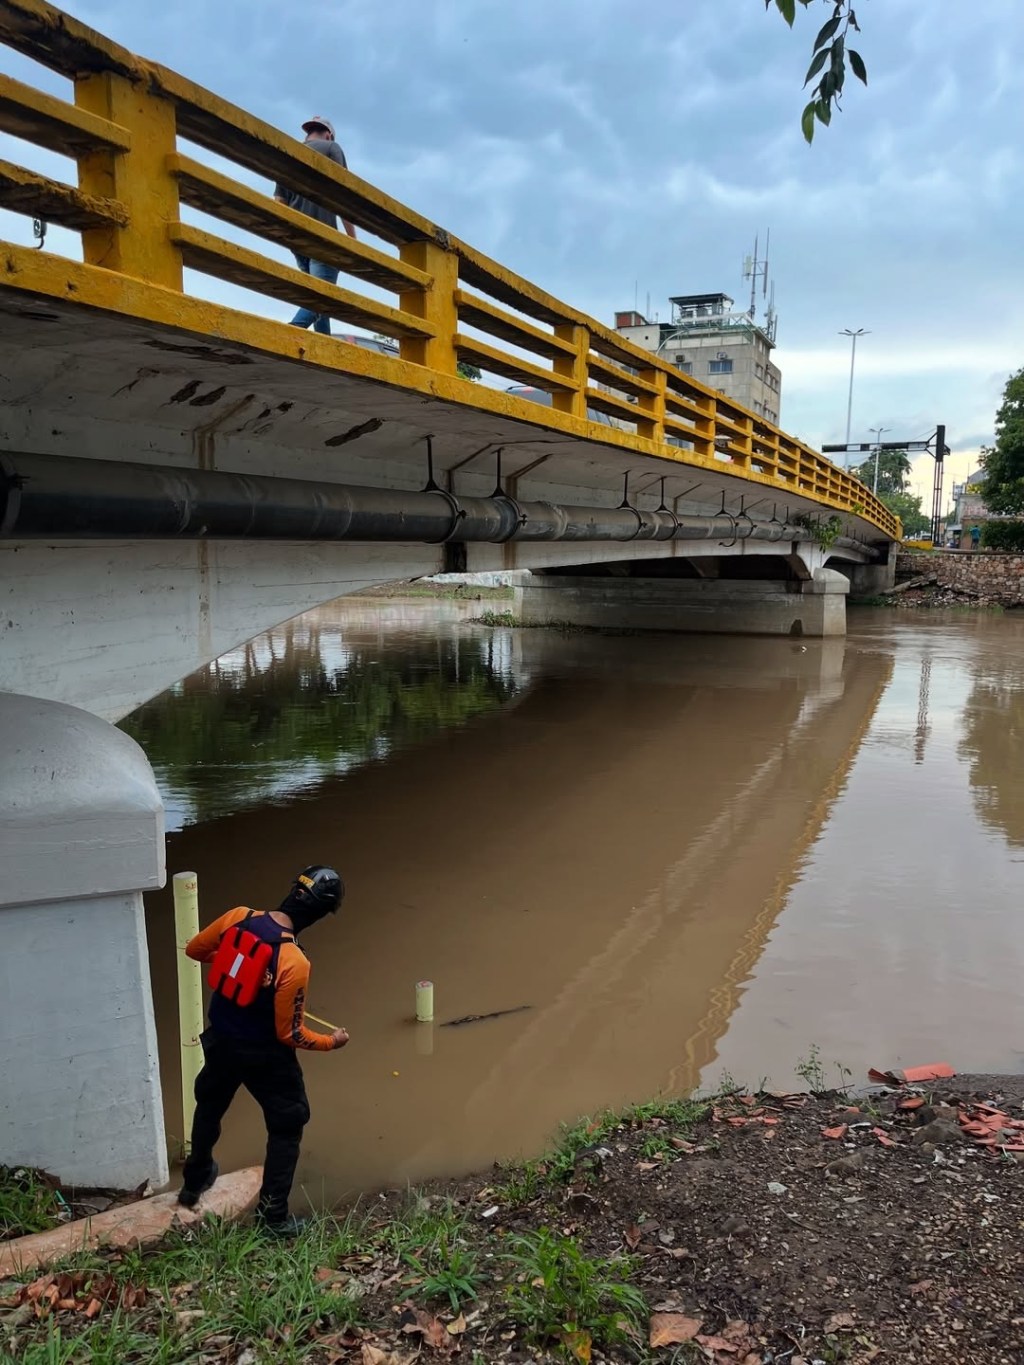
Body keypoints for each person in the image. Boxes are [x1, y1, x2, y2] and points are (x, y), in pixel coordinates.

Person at [177, 865, 349, 1236]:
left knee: (209, 1105)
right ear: (319, 915)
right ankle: (273, 1219)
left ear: (292, 892)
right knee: (288, 1125)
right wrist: (331, 1042)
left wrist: (238, 962)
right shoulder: (293, 961)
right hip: (264, 1058)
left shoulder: (239, 917)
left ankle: (195, 1181)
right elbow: (291, 1034)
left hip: (221, 1041)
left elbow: (195, 949)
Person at [274, 117, 356, 335]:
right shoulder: (332, 147)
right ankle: (289, 335)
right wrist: (353, 240)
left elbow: (279, 203)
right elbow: (343, 196)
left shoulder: (289, 156)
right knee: (322, 297)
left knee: (318, 297)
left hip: (297, 239)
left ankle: (325, 355)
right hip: (323, 238)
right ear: (328, 134)